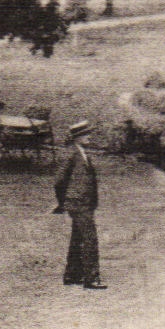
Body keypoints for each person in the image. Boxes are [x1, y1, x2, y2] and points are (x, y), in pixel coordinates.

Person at [53, 120, 106, 289]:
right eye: (85, 134)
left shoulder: (82, 153)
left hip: (84, 202)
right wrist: (64, 202)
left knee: (78, 237)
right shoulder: (71, 154)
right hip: (78, 203)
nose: (89, 136)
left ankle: (72, 275)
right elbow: (59, 181)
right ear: (77, 137)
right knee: (90, 238)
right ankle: (92, 278)